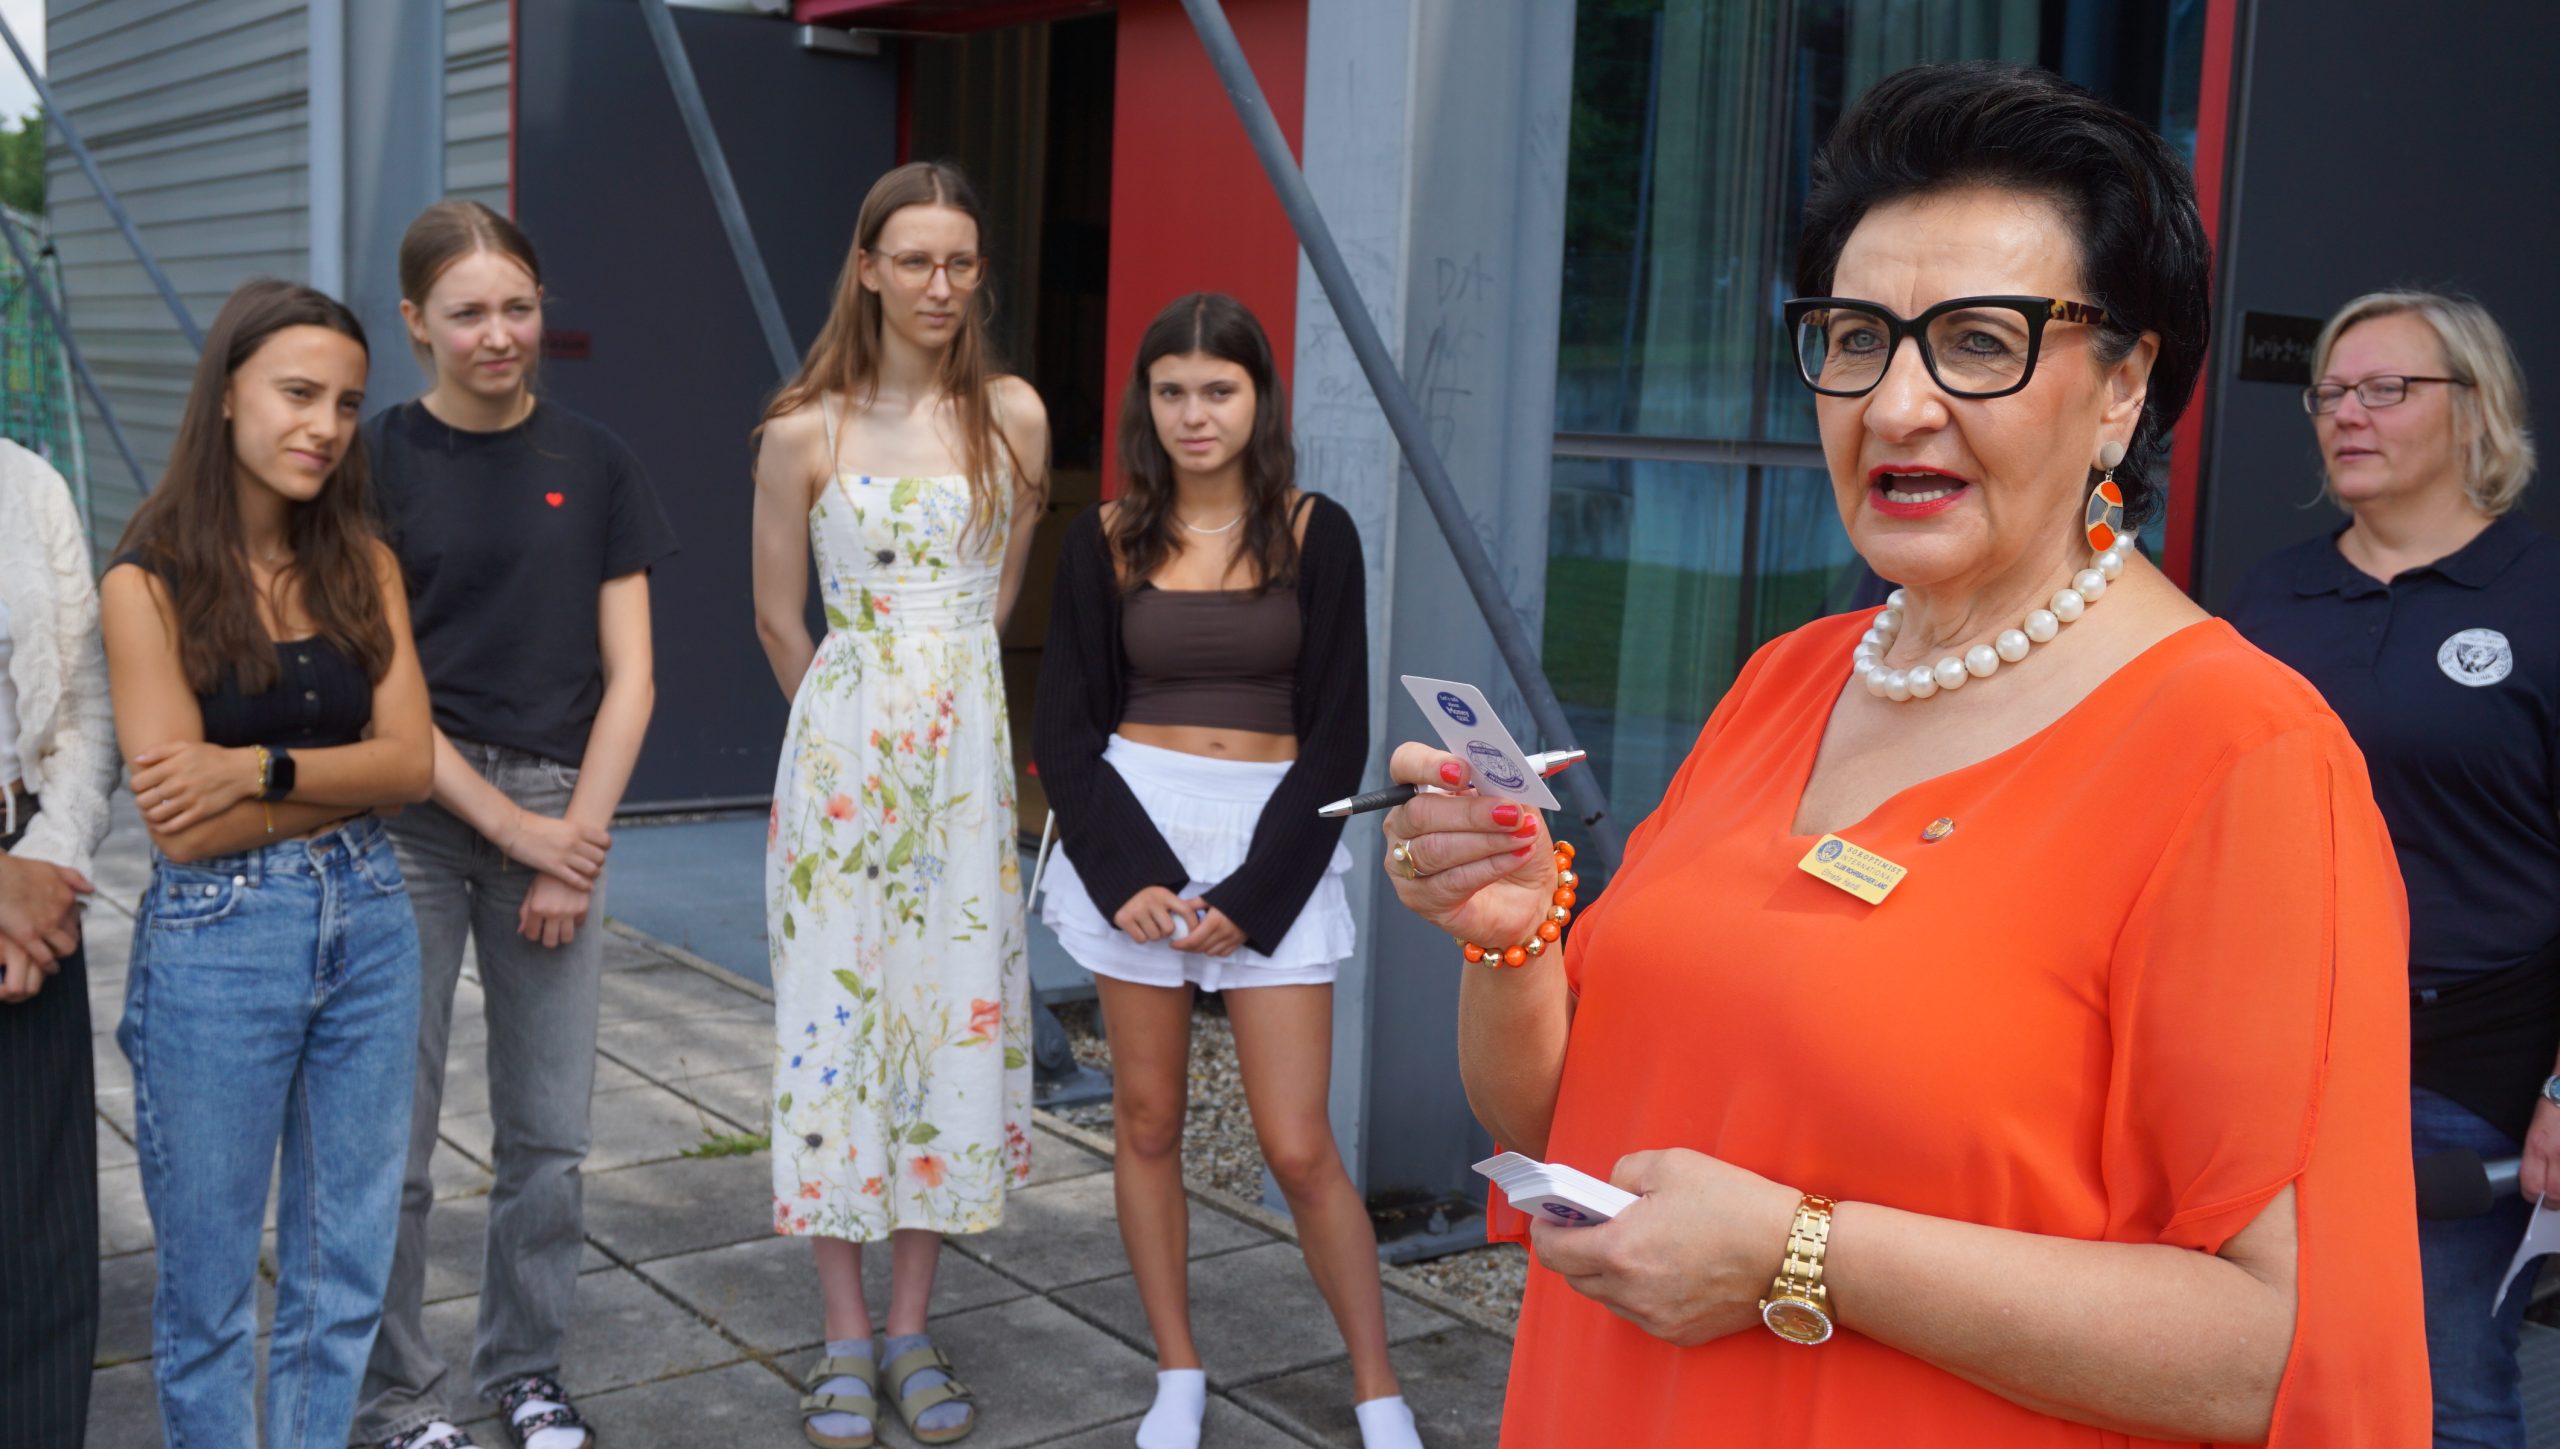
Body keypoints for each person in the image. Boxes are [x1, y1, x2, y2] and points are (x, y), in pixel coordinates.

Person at [1378, 61, 2428, 1445]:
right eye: (1856, 336)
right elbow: (1577, 1128)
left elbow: (2275, 1353)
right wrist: (1512, 937)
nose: (1895, 404)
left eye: (1981, 342)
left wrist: (1798, 1253)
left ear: (2122, 387)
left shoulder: (2243, 753)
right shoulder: (1788, 678)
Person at [1032, 292, 1420, 1449]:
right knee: (1147, 1120)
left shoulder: (1314, 531)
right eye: (1172, 391)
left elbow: (1338, 739)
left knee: (1297, 1145)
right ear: (1144, 403)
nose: (1194, 414)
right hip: (1133, 835)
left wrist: (1251, 899)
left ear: (1258, 400)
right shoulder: (1105, 537)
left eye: (1218, 389)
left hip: (1275, 838)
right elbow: (1065, 730)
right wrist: (1128, 878)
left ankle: (1378, 1391)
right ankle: (1178, 1373)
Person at [354, 200, 675, 1449]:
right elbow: (383, 682)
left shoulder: (595, 462)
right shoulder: (375, 463)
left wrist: (568, 845)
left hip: (557, 805)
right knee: (392, 1138)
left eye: (519, 308)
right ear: (414, 323)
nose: (498, 334)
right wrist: (509, 828)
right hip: (412, 816)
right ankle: (398, 1399)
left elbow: (632, 678)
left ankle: (525, 1371)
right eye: (468, 313)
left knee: (549, 1134)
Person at [99, 278, 435, 1448]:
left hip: (373, 922)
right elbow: (182, 828)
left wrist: (256, 769)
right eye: (298, 393)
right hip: (217, 937)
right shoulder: (147, 582)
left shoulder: (361, 563)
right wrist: (338, 775)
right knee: (207, 1294)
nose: (325, 426)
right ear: (229, 393)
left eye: (345, 402)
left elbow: (411, 765)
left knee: (343, 1274)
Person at [751, 159, 1045, 1448]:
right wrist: (842, 738)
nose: (939, 284)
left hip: (963, 777)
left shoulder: (1013, 418)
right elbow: (776, 614)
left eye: (960, 262)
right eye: (915, 259)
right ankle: (842, 1333)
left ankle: (912, 1327)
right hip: (840, 777)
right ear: (867, 268)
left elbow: (996, 600)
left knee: (945, 1029)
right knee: (835, 1033)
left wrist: (942, 725)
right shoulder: (800, 430)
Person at [2225, 290, 2547, 1447]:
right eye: (2328, 393)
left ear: (2475, 409)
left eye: (2383, 390)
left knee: (2444, 1391)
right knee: (2266, 1369)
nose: (2343, 414)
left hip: (2461, 1071)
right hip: (2272, 1058)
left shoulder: (2542, 598)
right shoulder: (2270, 598)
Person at [0, 437, 118, 1449]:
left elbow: (84, 708)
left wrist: (47, 859)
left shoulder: (26, 484)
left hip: (30, 877)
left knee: (39, 1242)